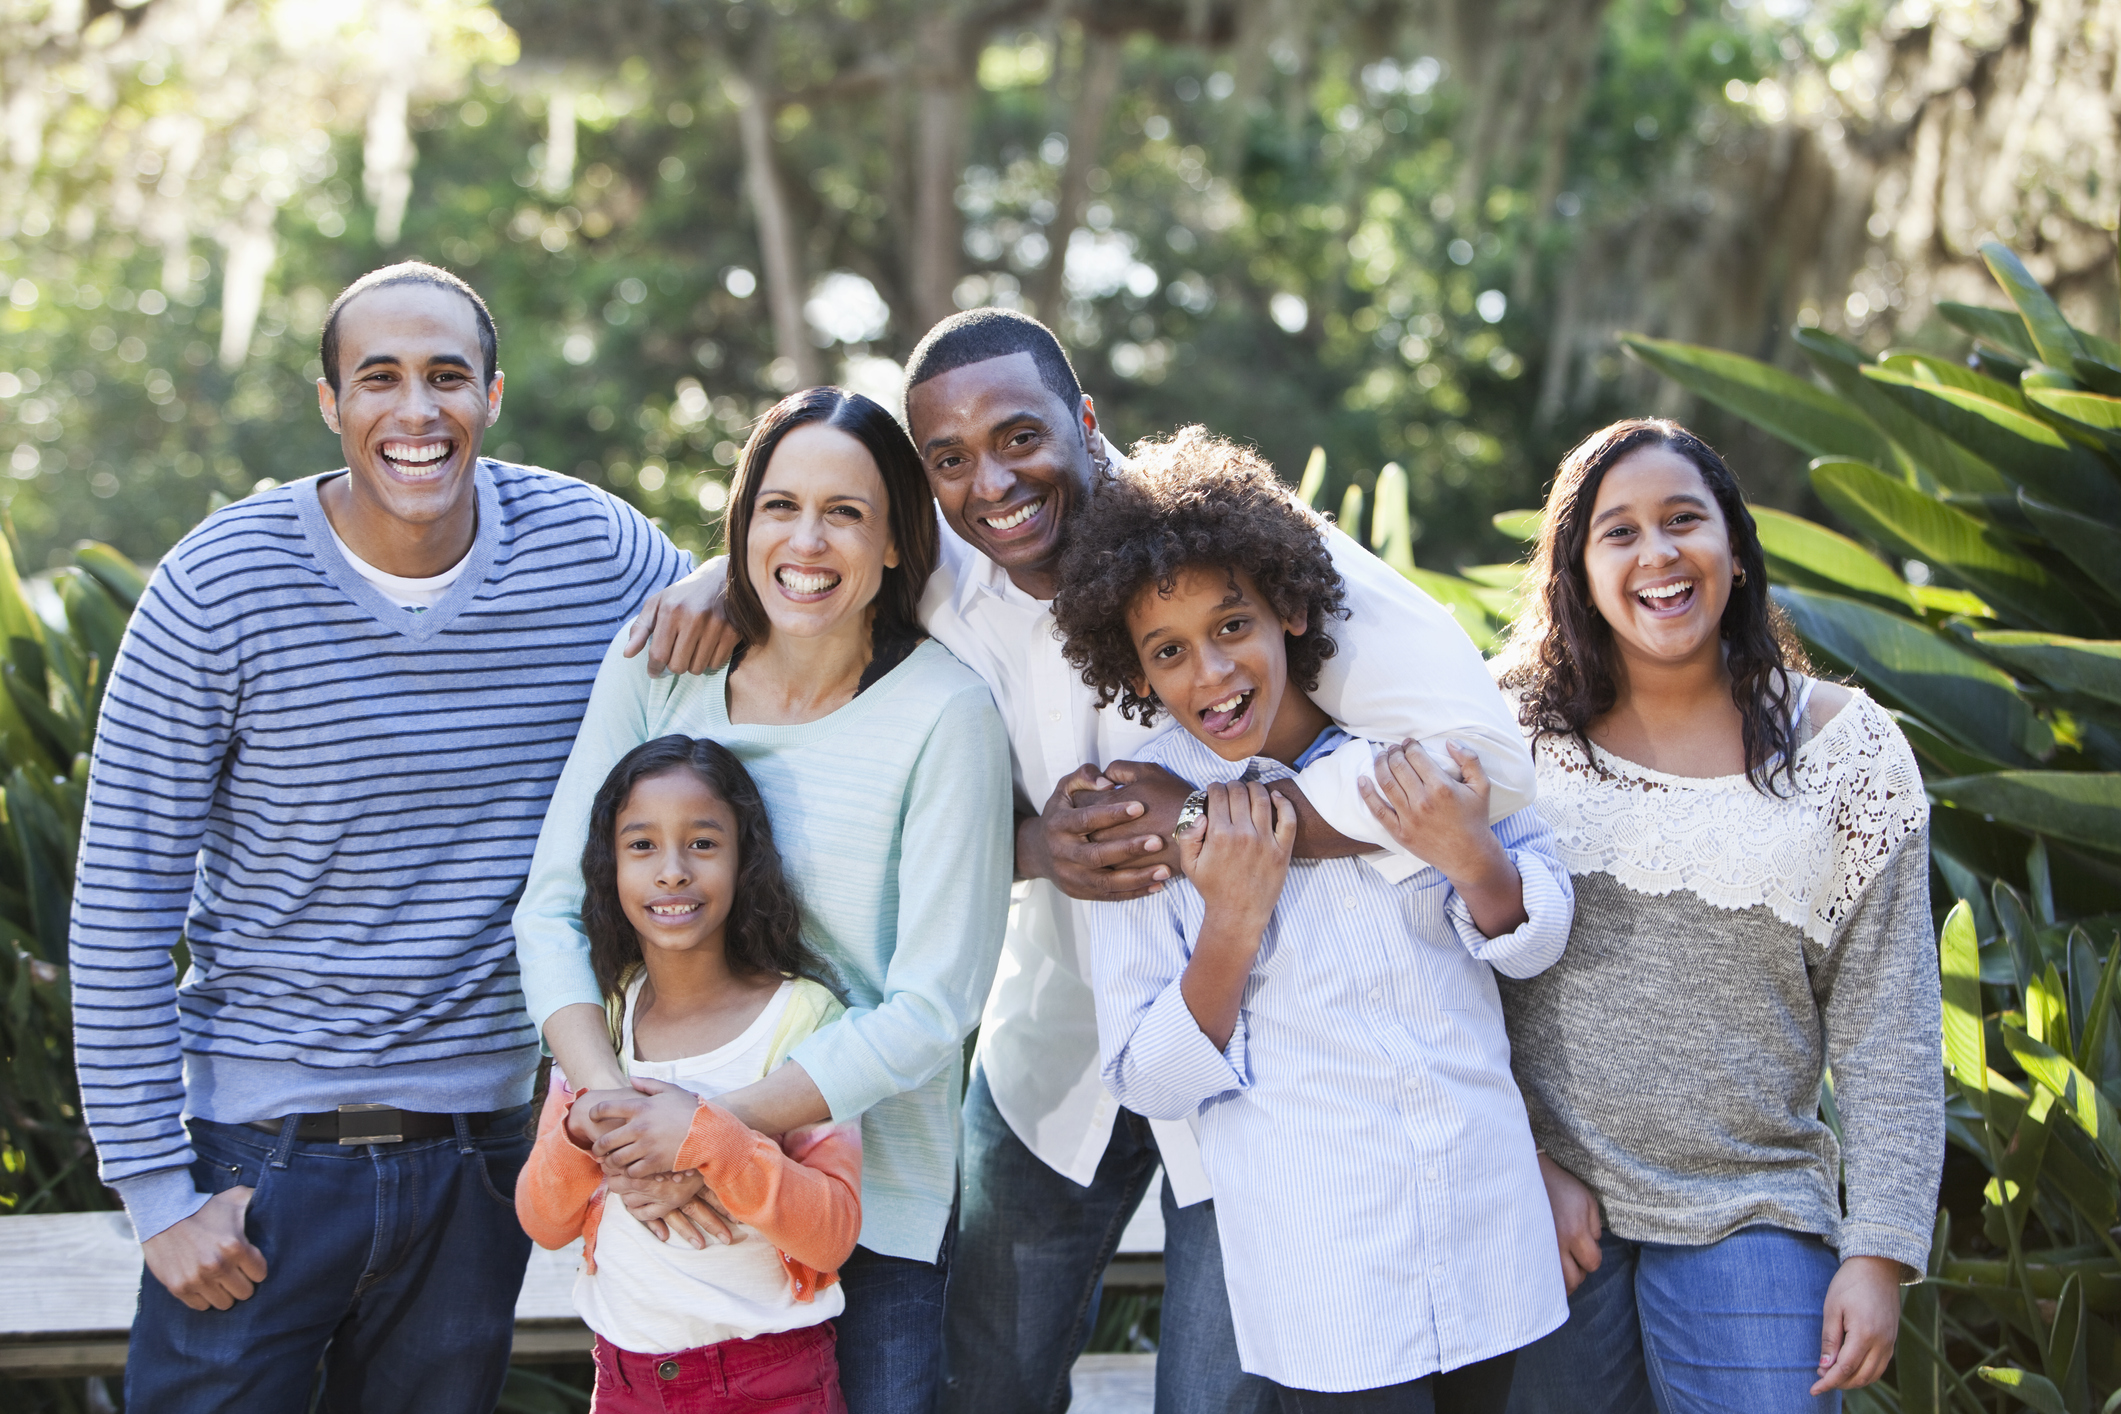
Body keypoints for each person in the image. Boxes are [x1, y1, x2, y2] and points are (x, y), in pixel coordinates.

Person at [67, 260, 722, 1411]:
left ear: (493, 396)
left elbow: (759, 623)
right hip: (256, 1162)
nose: (416, 413)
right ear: (330, 404)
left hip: (482, 1155)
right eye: (380, 379)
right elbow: (124, 897)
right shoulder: (218, 589)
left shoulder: (587, 551)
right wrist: (155, 1194)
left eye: (446, 378)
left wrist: (722, 575)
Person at [901, 310, 1543, 1414]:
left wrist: (1209, 817)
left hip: (1266, 1086)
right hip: (1056, 1048)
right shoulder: (940, 586)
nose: (993, 481)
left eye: (1020, 435)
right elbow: (804, 565)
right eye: (949, 459)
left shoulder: (1241, 547)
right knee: (985, 1388)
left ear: (1086, 420)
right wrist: (1032, 846)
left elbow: (1484, 762)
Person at [1050, 426, 1572, 1411]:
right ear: (1137, 667)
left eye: (1232, 625)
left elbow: (1540, 928)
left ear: (1288, 606)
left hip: (1483, 1218)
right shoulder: (1143, 807)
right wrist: (1232, 924)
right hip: (1329, 1269)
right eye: (1169, 651)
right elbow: (1142, 1073)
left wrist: (1472, 860)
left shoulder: (1411, 747)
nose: (1210, 673)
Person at [514, 385, 1014, 1414]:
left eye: (846, 512)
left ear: (893, 544)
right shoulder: (662, 669)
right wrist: (614, 1112)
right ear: (741, 525)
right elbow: (552, 909)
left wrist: (709, 1131)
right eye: (780, 506)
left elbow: (932, 1007)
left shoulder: (945, 712)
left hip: (863, 1214)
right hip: (653, 1217)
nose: (808, 539)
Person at [1493, 419, 1942, 1413]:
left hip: (1757, 1210)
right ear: (1577, 568)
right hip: (1539, 1211)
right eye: (1620, 532)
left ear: (1734, 552)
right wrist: (1523, 1159)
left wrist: (1880, 1252)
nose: (1658, 553)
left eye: (1683, 520)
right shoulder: (1502, 731)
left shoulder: (1851, 754)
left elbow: (1890, 1031)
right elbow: (1434, 979)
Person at [517, 734, 862, 1414]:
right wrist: (581, 1131)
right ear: (608, 865)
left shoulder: (802, 1018)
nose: (671, 870)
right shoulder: (600, 1023)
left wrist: (708, 1142)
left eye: (702, 843)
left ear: (744, 860)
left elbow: (832, 1232)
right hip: (625, 1383)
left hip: (773, 1379)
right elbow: (544, 1223)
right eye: (641, 845)